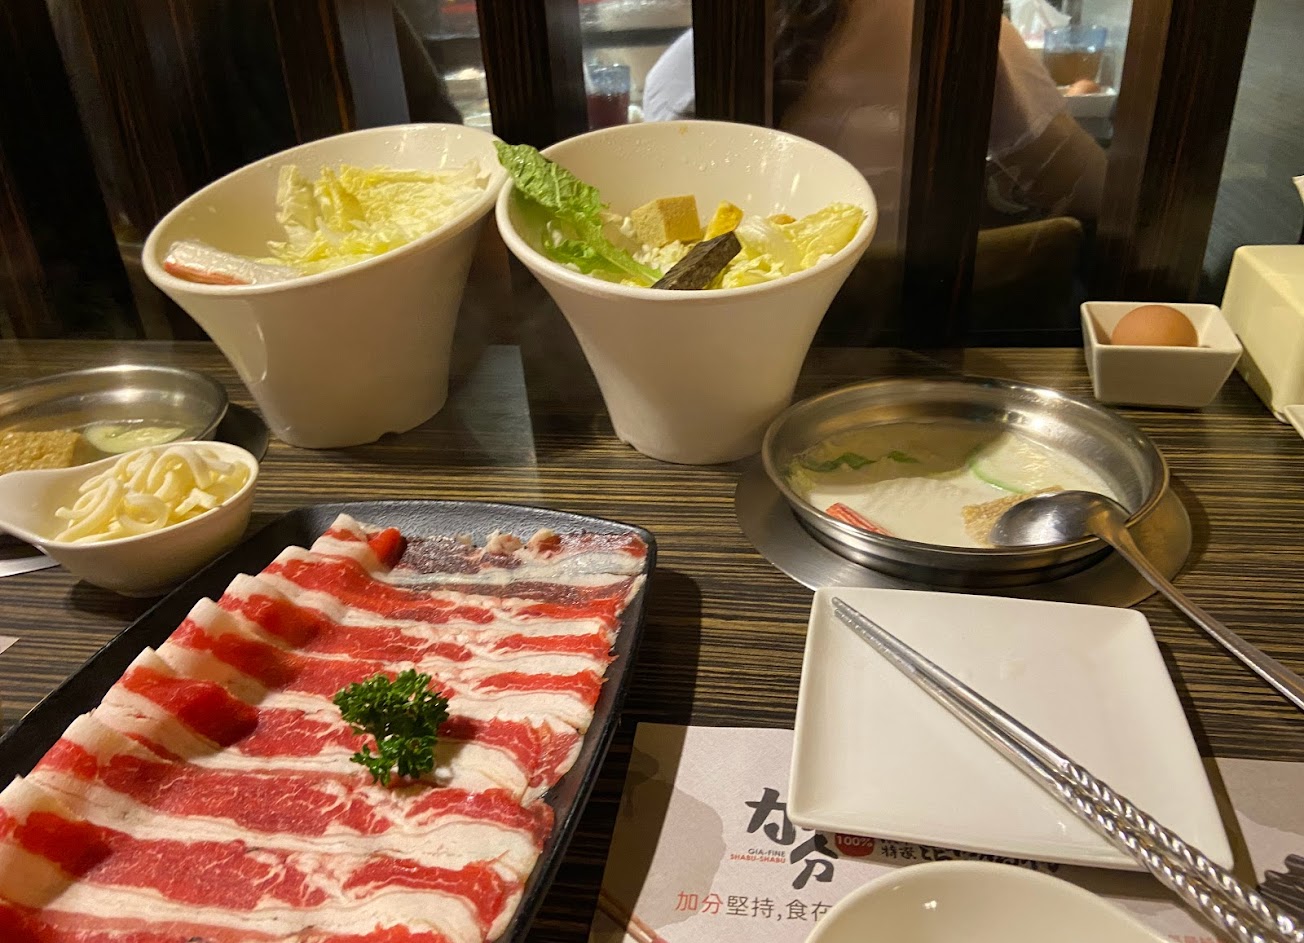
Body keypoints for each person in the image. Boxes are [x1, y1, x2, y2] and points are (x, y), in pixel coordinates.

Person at [643, 4, 1105, 243]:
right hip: (935, 329)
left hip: (749, 329)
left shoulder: (686, 68)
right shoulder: (964, 28)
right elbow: (1088, 188)